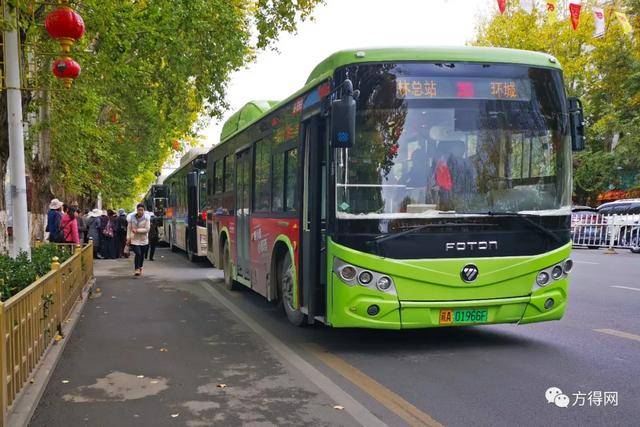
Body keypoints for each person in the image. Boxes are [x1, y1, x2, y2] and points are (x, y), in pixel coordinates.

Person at [128, 203, 150, 276]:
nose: (140, 211)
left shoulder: (147, 218)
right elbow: (129, 229)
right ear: (136, 210)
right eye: (139, 210)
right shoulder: (131, 218)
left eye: (142, 210)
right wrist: (128, 238)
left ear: (144, 211)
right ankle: (136, 269)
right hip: (134, 239)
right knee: (138, 253)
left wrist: (137, 230)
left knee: (142, 254)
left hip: (144, 240)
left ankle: (140, 267)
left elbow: (147, 229)